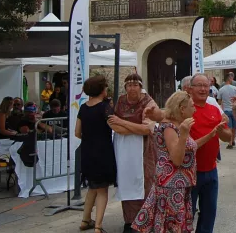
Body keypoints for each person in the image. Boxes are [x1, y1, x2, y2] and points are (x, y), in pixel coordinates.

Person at [132, 91, 206, 233]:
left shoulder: (177, 124)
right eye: (192, 106)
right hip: (171, 186)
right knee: (171, 226)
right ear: (182, 109)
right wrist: (184, 134)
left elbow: (190, 147)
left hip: (179, 184)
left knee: (175, 225)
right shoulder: (170, 127)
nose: (195, 109)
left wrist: (212, 134)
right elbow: (177, 160)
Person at [108, 74, 164, 233]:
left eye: (135, 85)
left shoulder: (148, 102)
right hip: (124, 148)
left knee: (145, 184)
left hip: (144, 149)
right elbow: (113, 124)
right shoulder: (120, 101)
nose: (132, 88)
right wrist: (131, 128)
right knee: (126, 182)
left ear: (140, 87)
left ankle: (146, 220)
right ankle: (130, 220)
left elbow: (147, 129)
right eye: (129, 85)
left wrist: (122, 123)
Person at [189, 74, 232, 233]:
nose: (202, 89)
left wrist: (221, 132)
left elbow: (228, 137)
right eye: (199, 85)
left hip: (211, 171)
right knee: (187, 215)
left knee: (208, 215)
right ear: (190, 88)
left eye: (205, 86)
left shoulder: (214, 109)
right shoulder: (185, 110)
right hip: (189, 172)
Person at [75, 76, 117, 233]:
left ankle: (85, 220)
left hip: (87, 151)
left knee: (92, 187)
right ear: (102, 90)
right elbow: (115, 125)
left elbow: (77, 132)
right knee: (102, 191)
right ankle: (98, 225)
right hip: (102, 152)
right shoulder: (104, 107)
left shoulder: (83, 108)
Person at [217, 73, 236, 150]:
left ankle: (230, 143)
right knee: (234, 127)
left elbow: (219, 102)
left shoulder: (221, 89)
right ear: (230, 79)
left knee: (229, 127)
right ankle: (233, 140)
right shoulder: (235, 88)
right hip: (234, 109)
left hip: (226, 110)